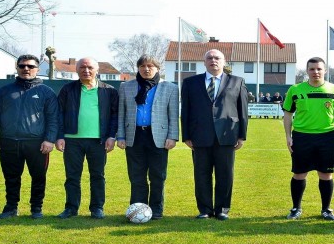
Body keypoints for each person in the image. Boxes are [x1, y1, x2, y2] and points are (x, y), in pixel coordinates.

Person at [0, 54, 58, 219]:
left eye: (31, 66)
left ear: (37, 69)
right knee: (11, 178)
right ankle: (11, 207)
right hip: (9, 142)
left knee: (38, 177)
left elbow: (53, 118)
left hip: (37, 143)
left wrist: (49, 139)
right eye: (22, 66)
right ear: (17, 67)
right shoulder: (4, 91)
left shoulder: (46, 92)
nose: (26, 69)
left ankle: (36, 209)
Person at [181, 49, 248, 220]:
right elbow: (186, 110)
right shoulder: (190, 83)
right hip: (199, 136)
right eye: (209, 58)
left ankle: (222, 209)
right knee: (201, 174)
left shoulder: (237, 81)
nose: (213, 60)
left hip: (227, 135)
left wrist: (242, 136)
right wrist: (186, 135)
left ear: (224, 62)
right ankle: (204, 210)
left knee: (225, 174)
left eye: (217, 58)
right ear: (204, 62)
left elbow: (243, 111)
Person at [282, 57, 334, 220]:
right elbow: (288, 114)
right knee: (299, 174)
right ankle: (296, 208)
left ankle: (326, 209)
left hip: (326, 137)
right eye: (312, 69)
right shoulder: (295, 90)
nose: (315, 72)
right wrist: (288, 136)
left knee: (326, 175)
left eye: (319, 69)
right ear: (307, 71)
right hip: (301, 137)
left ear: (325, 70)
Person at [116, 55, 179, 220]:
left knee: (158, 176)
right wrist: (120, 136)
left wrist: (172, 136)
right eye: (142, 66)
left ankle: (156, 210)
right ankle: (138, 208)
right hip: (134, 136)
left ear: (157, 68)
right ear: (138, 68)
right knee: (136, 176)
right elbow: (121, 114)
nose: (146, 69)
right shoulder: (126, 87)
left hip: (158, 137)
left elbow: (173, 115)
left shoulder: (170, 88)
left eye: (150, 66)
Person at [55, 57, 118, 219]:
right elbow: (58, 114)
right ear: (77, 70)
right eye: (82, 67)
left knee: (97, 176)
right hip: (71, 140)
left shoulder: (109, 90)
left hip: (99, 141)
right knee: (72, 176)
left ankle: (97, 208)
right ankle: (71, 208)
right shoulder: (67, 90)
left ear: (97, 70)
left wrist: (112, 136)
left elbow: (114, 116)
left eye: (90, 67)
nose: (86, 70)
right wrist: (60, 136)